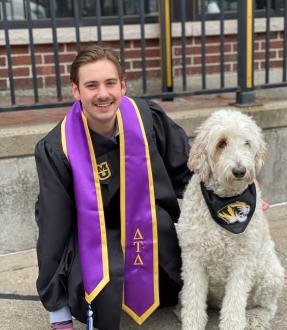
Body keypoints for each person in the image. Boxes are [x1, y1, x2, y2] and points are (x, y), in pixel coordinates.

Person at [34, 45, 192, 330]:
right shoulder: (58, 148)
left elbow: (188, 167)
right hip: (93, 242)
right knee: (101, 287)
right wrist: (58, 310)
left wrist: (236, 189)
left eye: (110, 83)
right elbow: (53, 227)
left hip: (152, 233)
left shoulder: (147, 120)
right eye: (91, 85)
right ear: (76, 91)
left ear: (122, 86)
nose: (103, 94)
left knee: (166, 234)